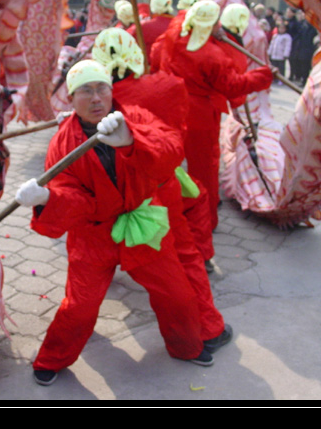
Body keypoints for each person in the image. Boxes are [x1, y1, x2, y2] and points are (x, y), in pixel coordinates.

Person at [15, 59, 229, 387]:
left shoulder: (136, 118)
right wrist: (48, 199)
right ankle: (52, 358)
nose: (96, 97)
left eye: (102, 88)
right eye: (85, 91)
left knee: (178, 294)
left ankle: (186, 346)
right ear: (71, 99)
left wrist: (132, 142)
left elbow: (171, 152)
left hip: (143, 225)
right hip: (93, 236)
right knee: (80, 307)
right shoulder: (62, 143)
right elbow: (78, 201)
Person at [92, 27, 229, 329]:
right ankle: (207, 327)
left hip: (111, 194)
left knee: (88, 273)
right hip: (161, 184)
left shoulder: (95, 101)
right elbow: (178, 132)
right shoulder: (167, 85)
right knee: (185, 250)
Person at [156, 0, 274, 230]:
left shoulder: (174, 37)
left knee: (170, 164)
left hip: (172, 108)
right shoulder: (212, 55)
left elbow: (155, 53)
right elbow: (233, 85)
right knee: (205, 170)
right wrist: (264, 75)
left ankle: (170, 212)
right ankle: (205, 221)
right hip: (200, 115)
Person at [126, 0, 175, 66]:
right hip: (174, 71)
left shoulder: (143, 26)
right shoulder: (180, 25)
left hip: (149, 70)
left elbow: (126, 42)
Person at [289, 9, 317, 86]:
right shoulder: (302, 24)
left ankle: (305, 80)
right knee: (301, 63)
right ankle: (301, 78)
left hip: (309, 47)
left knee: (306, 65)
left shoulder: (313, 26)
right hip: (301, 47)